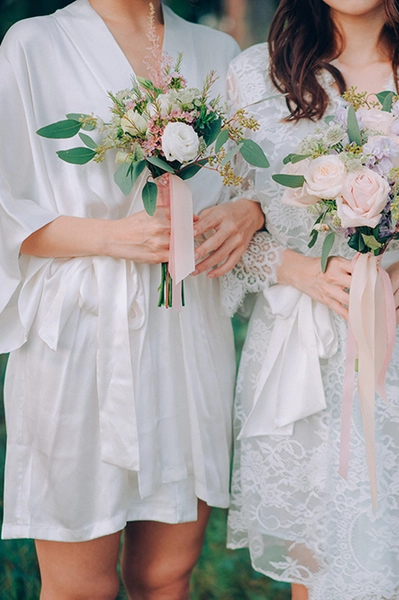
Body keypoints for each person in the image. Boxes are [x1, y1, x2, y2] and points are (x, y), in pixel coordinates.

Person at [220, 0, 399, 598]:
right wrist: (297, 269)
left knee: (397, 560)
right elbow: (229, 224)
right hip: (302, 352)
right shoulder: (255, 78)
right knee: (315, 567)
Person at [0, 1, 263, 597]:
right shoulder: (34, 44)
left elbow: (252, 181)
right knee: (79, 586)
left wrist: (251, 210)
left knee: (165, 575)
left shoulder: (215, 53)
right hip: (81, 329)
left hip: (186, 327)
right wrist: (112, 237)